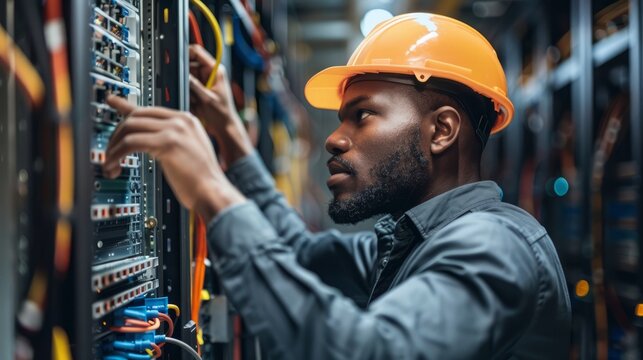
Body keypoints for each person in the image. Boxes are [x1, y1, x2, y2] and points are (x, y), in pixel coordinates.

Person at [104, 13, 571, 359]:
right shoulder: (415, 244)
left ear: (442, 130)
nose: (334, 137)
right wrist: (233, 145)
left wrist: (210, 188)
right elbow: (300, 255)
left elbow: (362, 351)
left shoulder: (492, 247)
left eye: (363, 115)